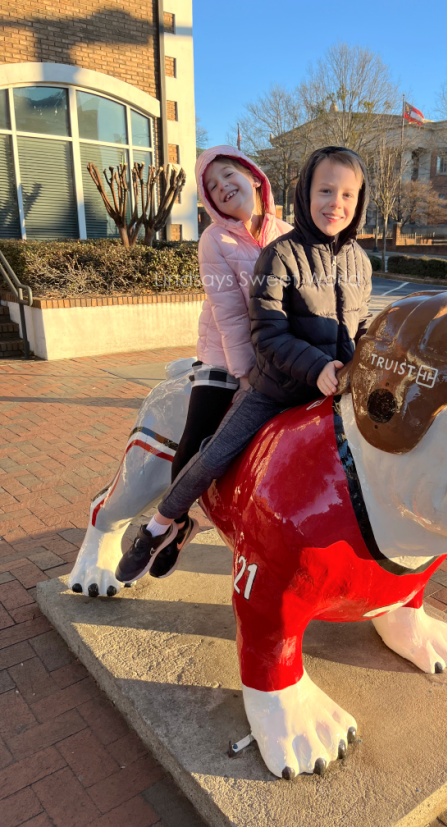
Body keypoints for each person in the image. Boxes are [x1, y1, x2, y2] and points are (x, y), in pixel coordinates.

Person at [116, 145, 373, 583]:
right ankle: (162, 524)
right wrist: (270, 373)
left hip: (331, 382)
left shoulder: (354, 260)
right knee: (212, 449)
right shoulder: (267, 250)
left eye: (348, 194)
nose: (336, 203)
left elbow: (357, 323)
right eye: (326, 191)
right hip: (268, 376)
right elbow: (253, 326)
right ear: (306, 193)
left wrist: (364, 353)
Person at [144, 145, 290, 579]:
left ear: (253, 176)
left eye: (228, 175)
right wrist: (244, 375)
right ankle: (176, 523)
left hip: (277, 353)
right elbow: (229, 314)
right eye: (211, 186)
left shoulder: (288, 233)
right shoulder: (214, 239)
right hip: (224, 353)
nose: (223, 186)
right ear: (209, 201)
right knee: (195, 439)